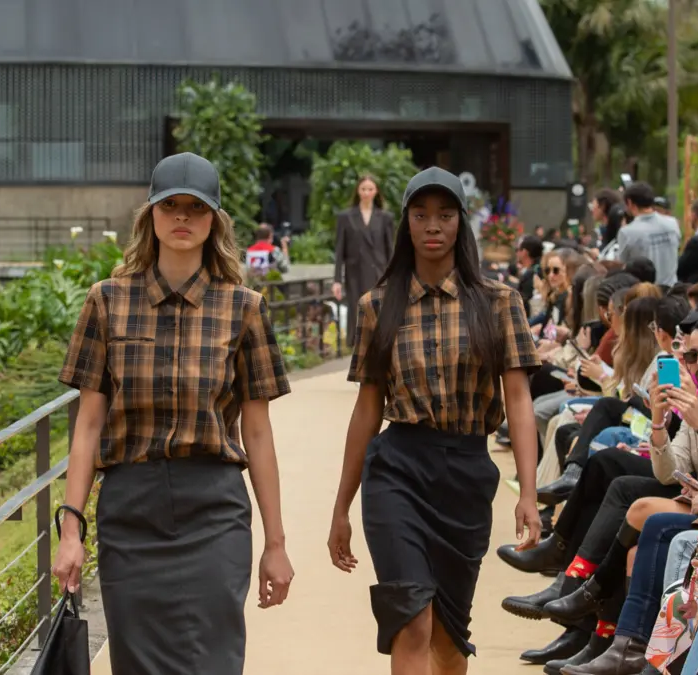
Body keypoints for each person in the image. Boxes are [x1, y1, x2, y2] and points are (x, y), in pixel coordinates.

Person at [52, 152, 294, 675]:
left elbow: (257, 433)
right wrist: (71, 531)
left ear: (214, 221)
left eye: (196, 207)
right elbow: (88, 425)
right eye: (170, 205)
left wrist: (275, 544)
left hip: (214, 512)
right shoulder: (106, 302)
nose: (182, 216)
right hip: (130, 513)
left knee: (213, 661)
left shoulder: (244, 308)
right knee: (138, 664)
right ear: (151, 216)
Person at [327, 167, 542, 672]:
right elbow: (367, 409)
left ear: (460, 222)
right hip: (397, 470)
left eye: (445, 215)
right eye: (420, 215)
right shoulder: (377, 306)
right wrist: (341, 505)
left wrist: (528, 495)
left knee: (448, 636)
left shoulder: (499, 303)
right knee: (411, 618)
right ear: (405, 223)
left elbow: (518, 400)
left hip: (466, 475)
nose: (432, 226)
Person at [333, 174, 397, 345]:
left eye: (370, 189)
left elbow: (390, 249)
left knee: (378, 313)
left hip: (379, 273)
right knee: (357, 313)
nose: (366, 193)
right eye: (363, 189)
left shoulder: (385, 218)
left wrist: (394, 275)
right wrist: (337, 280)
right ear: (358, 191)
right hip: (355, 274)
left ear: (376, 192)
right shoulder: (345, 217)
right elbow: (339, 250)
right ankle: (358, 351)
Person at [616, 182, 681, 285]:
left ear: (629, 202)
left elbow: (621, 264)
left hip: (645, 291)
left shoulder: (627, 232)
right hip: (672, 289)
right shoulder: (672, 224)